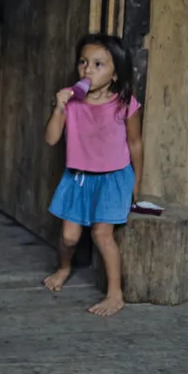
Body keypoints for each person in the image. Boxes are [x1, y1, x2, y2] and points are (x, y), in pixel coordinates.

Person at [43, 34, 143, 317]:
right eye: (83, 62)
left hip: (113, 178)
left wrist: (138, 181)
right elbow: (51, 139)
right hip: (78, 178)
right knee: (69, 237)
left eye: (98, 64)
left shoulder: (125, 104)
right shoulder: (70, 101)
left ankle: (115, 294)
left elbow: (135, 144)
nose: (87, 70)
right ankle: (64, 268)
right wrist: (59, 107)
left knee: (102, 233)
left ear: (114, 75)